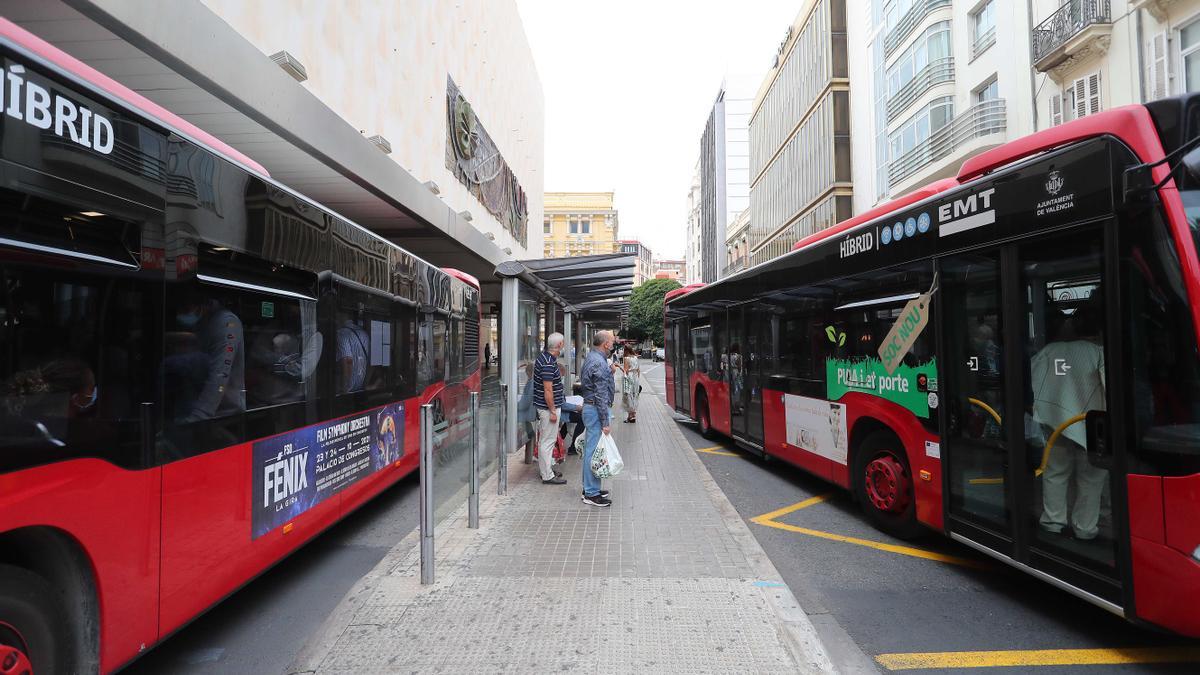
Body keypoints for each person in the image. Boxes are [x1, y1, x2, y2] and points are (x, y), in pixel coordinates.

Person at [1031, 305, 1108, 540]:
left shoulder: (1047, 351)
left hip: (1055, 425)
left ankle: (1054, 522)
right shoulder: (1099, 353)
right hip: (1093, 426)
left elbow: (1034, 385)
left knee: (1055, 472)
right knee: (1091, 478)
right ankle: (1085, 528)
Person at [173, 294, 244, 422]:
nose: (181, 314)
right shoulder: (202, 322)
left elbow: (220, 376)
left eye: (185, 309)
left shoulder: (227, 323)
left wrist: (197, 417)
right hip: (198, 408)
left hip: (223, 415)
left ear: (201, 305)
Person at [579, 330, 617, 507]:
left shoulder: (593, 358)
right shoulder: (599, 362)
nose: (613, 343)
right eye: (612, 341)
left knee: (591, 450)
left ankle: (589, 488)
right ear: (606, 344)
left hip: (591, 406)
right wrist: (605, 421)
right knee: (593, 451)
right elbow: (600, 394)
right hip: (595, 409)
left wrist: (610, 373)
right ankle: (591, 493)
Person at [533, 333, 568, 484]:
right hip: (548, 409)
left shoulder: (545, 358)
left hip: (546, 407)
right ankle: (547, 475)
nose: (564, 345)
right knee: (547, 441)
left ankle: (546, 470)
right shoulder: (548, 362)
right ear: (559, 345)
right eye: (563, 343)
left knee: (545, 441)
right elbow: (548, 390)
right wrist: (553, 410)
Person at [337, 316, 370, 394]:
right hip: (361, 387)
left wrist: (345, 388)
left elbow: (348, 361)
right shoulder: (364, 333)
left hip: (348, 390)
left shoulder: (342, 333)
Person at [622, 345, 641, 423]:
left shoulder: (626, 358)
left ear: (625, 350)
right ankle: (634, 415)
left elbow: (626, 371)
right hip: (636, 378)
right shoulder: (636, 358)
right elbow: (639, 370)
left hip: (629, 378)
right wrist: (637, 379)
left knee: (628, 396)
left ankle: (630, 416)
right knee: (635, 395)